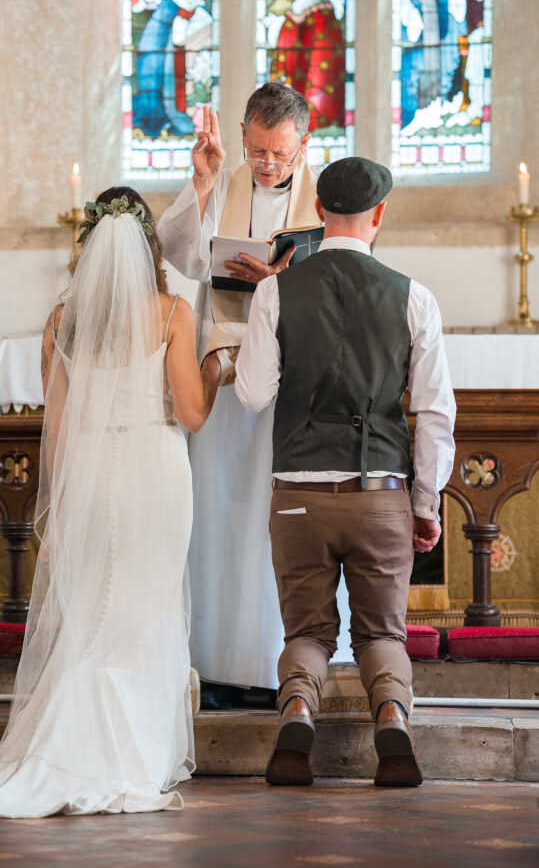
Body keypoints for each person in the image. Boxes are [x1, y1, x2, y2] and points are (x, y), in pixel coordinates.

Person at [0, 188, 220, 818]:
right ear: (149, 246)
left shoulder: (62, 321)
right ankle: (132, 752)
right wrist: (218, 367)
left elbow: (55, 431)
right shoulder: (173, 313)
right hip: (155, 471)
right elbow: (193, 415)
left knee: (91, 615)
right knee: (145, 609)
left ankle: (71, 744)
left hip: (89, 473)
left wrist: (56, 510)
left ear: (86, 246)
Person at [234, 156, 456, 787]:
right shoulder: (414, 296)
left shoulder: (278, 290)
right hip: (380, 493)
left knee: (307, 630)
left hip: (298, 497)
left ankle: (298, 713)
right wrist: (425, 503)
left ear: (318, 213)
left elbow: (252, 394)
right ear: (378, 215)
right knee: (381, 633)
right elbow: (436, 411)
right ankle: (392, 721)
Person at [158, 82, 331, 690]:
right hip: (221, 374)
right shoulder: (224, 183)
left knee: (276, 519)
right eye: (258, 151)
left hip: (291, 381)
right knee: (222, 508)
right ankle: (217, 661)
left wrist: (283, 283)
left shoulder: (325, 202)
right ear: (242, 137)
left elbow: (346, 275)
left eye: (281, 154)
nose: (267, 165)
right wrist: (202, 181)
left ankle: (272, 663)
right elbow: (175, 251)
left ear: (304, 144)